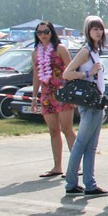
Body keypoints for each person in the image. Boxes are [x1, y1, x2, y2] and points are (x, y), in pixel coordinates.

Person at [60, 16, 108, 195]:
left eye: (100, 28)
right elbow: (67, 74)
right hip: (89, 103)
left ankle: (90, 183)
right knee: (81, 143)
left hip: (96, 102)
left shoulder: (94, 50)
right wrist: (88, 73)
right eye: (94, 29)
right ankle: (71, 182)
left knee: (91, 146)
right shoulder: (85, 51)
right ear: (88, 31)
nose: (98, 32)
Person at [31, 21, 75, 179]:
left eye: (46, 31)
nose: (43, 35)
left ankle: (76, 165)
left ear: (52, 32)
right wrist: (34, 97)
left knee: (67, 129)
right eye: (39, 32)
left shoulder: (60, 49)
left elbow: (70, 70)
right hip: (46, 94)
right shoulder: (35, 52)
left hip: (62, 92)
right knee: (53, 130)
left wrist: (73, 93)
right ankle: (57, 166)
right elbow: (36, 75)